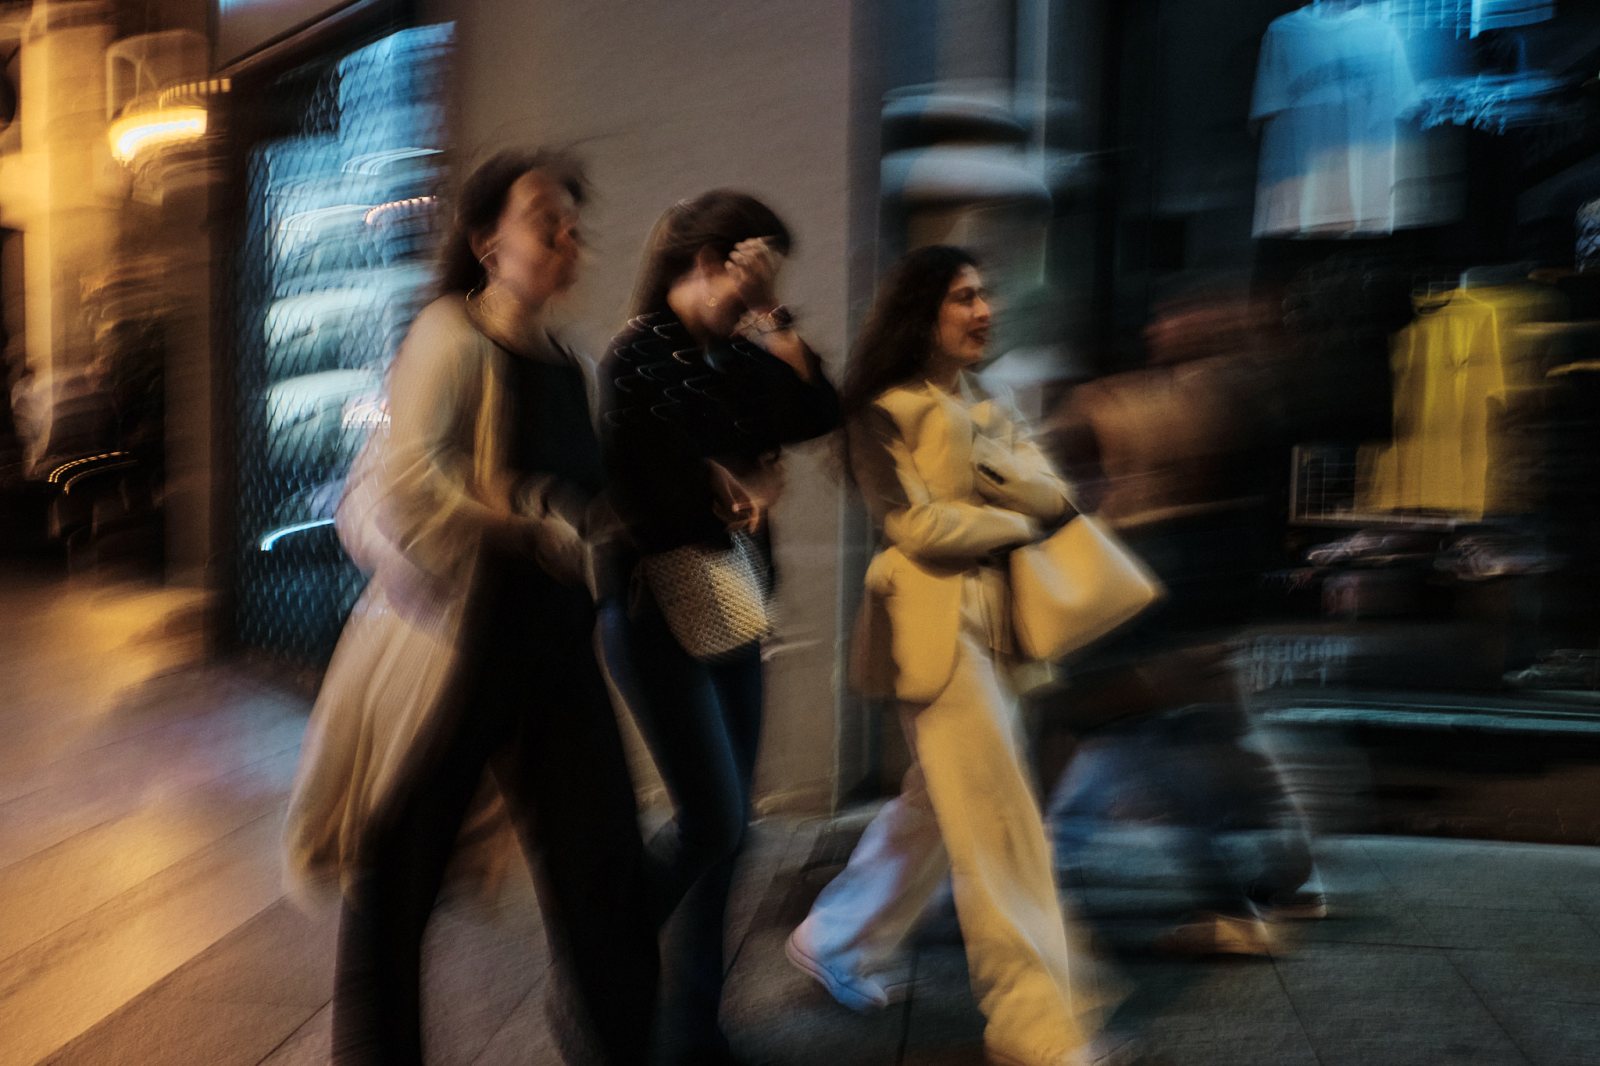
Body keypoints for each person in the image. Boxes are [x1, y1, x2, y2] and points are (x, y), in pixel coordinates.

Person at [283, 148, 657, 1065]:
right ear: (490, 243)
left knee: (605, 876)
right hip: (457, 654)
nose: (567, 237)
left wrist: (598, 523)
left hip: (557, 661)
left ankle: (616, 1041)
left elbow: (581, 498)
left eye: (575, 224)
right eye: (545, 220)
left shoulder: (573, 366)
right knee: (395, 887)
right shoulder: (451, 336)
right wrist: (527, 516)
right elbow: (412, 485)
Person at [786, 246, 1116, 1066]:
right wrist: (1010, 516)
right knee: (1000, 827)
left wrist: (1003, 492)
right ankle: (1035, 1025)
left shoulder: (982, 399)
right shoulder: (881, 412)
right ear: (921, 312)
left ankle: (833, 936)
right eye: (965, 296)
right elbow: (918, 527)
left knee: (935, 810)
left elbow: (1052, 492)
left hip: (995, 630)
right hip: (931, 633)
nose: (985, 310)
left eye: (985, 292)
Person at [598, 190, 840, 1065]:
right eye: (748, 278)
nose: (754, 301)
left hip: (730, 605)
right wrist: (732, 482)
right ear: (706, 263)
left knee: (732, 835)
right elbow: (663, 489)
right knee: (712, 819)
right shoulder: (639, 354)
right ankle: (598, 971)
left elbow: (817, 413)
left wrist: (773, 317)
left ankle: (690, 1031)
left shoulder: (732, 351)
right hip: (655, 614)